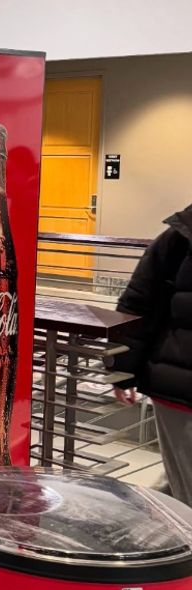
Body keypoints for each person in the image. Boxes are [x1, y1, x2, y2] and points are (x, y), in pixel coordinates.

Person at [110, 203, 192, 506]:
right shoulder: (179, 238)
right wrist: (122, 370)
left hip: (176, 386)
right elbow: (137, 304)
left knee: (179, 487)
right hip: (180, 390)